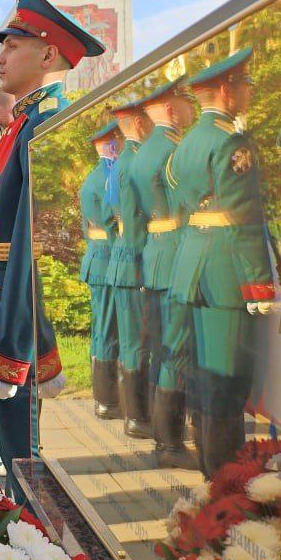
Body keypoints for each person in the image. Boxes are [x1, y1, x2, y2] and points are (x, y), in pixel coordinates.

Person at [0, 0, 104, 500]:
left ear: (48, 54)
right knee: (16, 459)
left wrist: (10, 343)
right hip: (0, 300)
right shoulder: (25, 123)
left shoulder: (44, 126)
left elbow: (31, 244)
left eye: (12, 46)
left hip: (12, 309)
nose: (0, 58)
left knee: (24, 466)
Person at [168, 48, 274, 475]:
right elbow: (244, 217)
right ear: (228, 90)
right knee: (228, 380)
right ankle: (227, 479)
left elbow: (179, 197)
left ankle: (214, 469)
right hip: (227, 270)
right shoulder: (232, 142)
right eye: (245, 84)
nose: (249, 91)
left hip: (194, 265)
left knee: (206, 374)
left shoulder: (188, 141)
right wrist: (260, 285)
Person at [131, 77, 200, 469]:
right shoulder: (175, 150)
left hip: (155, 255)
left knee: (162, 348)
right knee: (177, 350)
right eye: (186, 102)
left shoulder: (142, 153)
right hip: (177, 254)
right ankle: (171, 445)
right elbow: (191, 206)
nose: (192, 109)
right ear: (172, 108)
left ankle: (164, 437)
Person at [106, 103, 154, 438]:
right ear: (137, 123)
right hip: (135, 259)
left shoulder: (119, 163)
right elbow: (136, 217)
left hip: (121, 258)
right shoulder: (133, 160)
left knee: (130, 340)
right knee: (138, 342)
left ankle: (133, 414)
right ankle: (138, 417)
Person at [79, 120, 121, 421]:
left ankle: (105, 398)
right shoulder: (106, 178)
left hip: (98, 257)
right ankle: (106, 400)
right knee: (106, 331)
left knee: (102, 330)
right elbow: (114, 218)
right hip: (107, 259)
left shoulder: (97, 177)